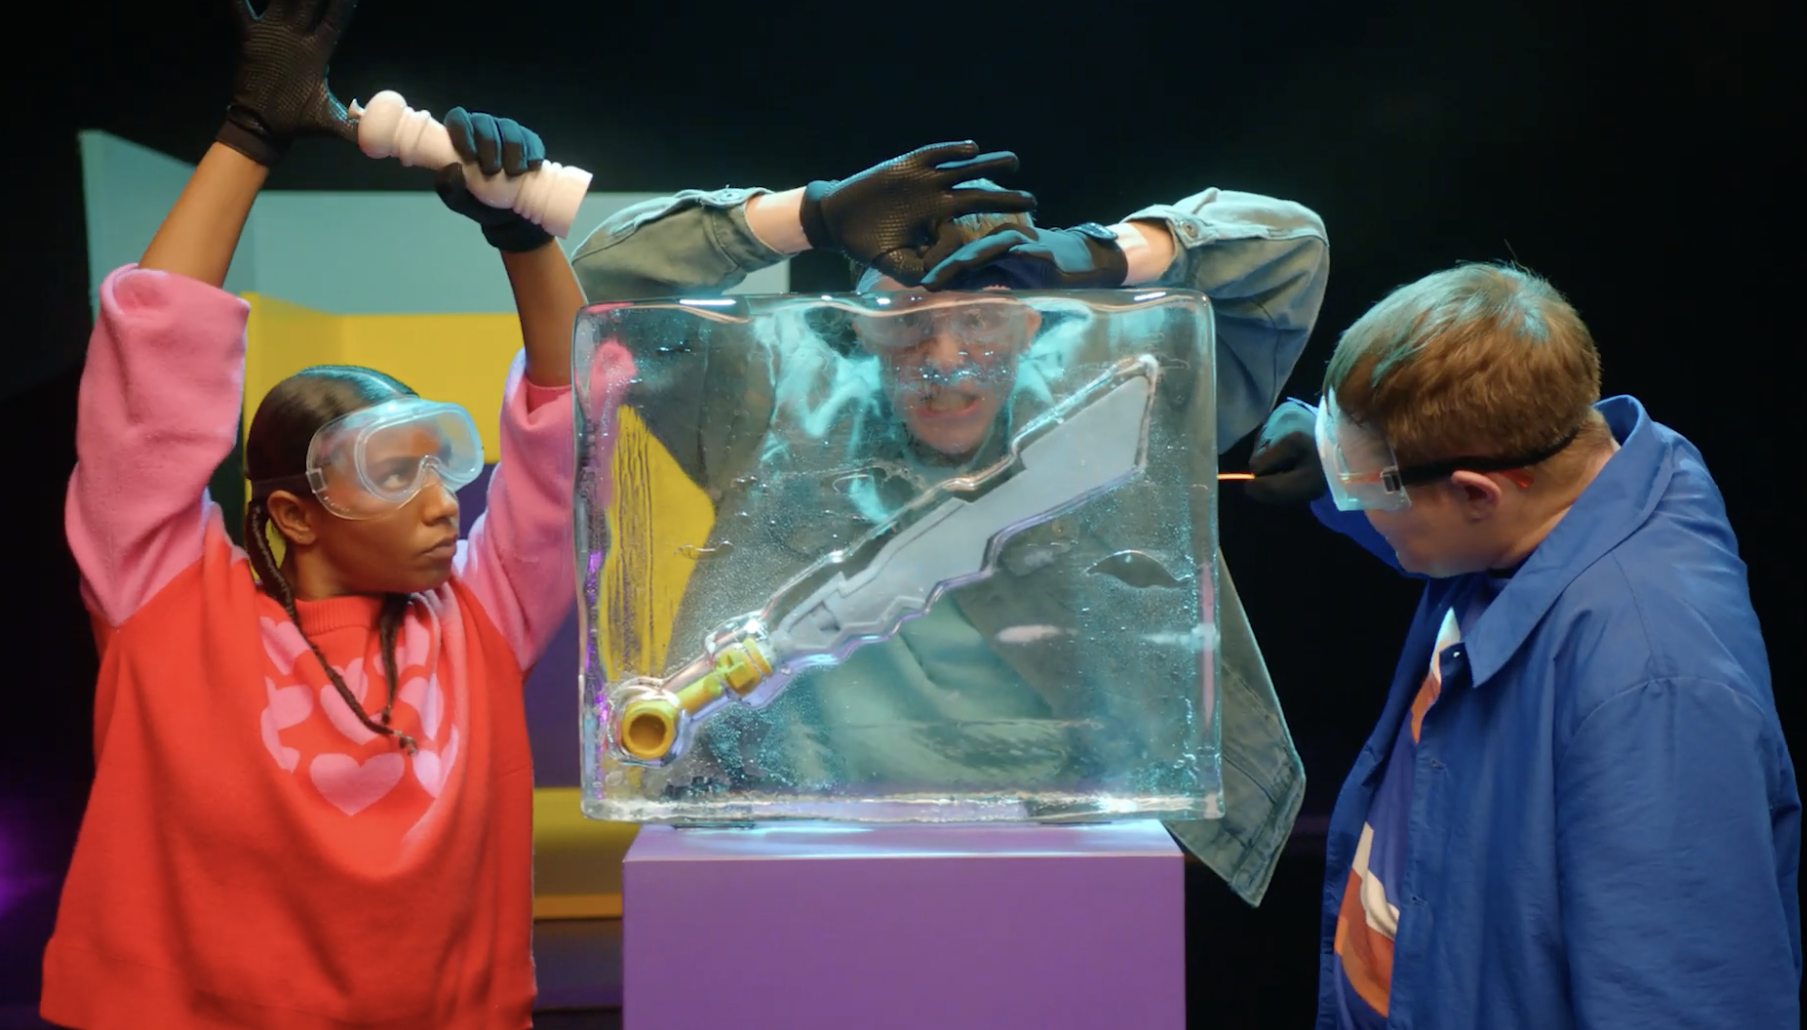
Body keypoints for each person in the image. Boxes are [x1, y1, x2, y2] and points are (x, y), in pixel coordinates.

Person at [41, 2, 626, 1026]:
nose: (445, 501)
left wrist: (520, 230)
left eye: (439, 462)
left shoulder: (475, 623)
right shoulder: (169, 609)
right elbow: (150, 369)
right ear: (294, 515)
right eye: (390, 472)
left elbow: (570, 430)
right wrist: (249, 134)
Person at [569, 150, 1329, 905]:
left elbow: (1290, 250)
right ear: (859, 325)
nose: (945, 362)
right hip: (809, 822)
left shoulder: (1122, 385)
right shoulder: (780, 406)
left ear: (1033, 319)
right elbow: (612, 275)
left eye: (981, 318)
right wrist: (810, 214)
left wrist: (1098, 254)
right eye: (905, 323)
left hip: (1073, 824)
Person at [1242, 262, 1801, 1028]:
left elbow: (1682, 998)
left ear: (1479, 492)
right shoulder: (1575, 479)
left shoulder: (1654, 689)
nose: (1357, 503)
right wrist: (1334, 449)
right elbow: (1450, 530)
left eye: (1367, 488)